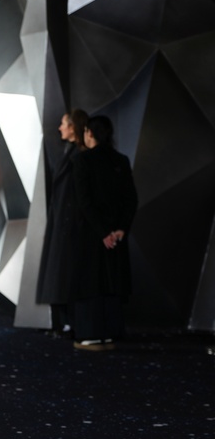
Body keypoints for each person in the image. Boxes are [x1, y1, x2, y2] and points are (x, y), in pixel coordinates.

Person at [69, 115, 138, 350]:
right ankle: (110, 334)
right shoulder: (121, 160)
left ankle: (90, 334)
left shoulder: (82, 161)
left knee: (90, 283)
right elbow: (131, 199)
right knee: (112, 283)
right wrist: (120, 230)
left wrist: (102, 232)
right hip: (116, 236)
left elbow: (84, 201)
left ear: (89, 133)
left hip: (91, 234)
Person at [37, 109, 88, 336]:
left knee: (66, 273)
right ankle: (65, 322)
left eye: (63, 124)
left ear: (73, 127)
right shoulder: (71, 153)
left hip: (71, 225)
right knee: (60, 272)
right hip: (62, 222)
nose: (59, 128)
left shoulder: (79, 155)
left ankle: (71, 323)